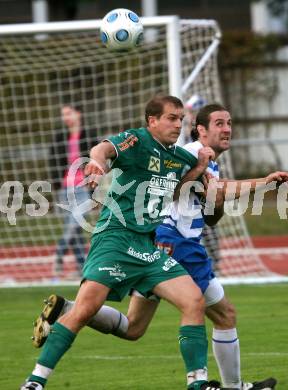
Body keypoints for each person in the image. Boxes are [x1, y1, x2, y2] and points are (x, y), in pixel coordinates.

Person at [30, 103, 288, 389]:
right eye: (219, 124)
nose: (227, 129)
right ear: (201, 130)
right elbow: (103, 149)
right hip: (173, 242)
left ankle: (67, 310)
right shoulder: (189, 153)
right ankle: (225, 385)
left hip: (154, 243)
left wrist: (214, 191)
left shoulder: (194, 159)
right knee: (222, 312)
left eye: (229, 123)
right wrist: (262, 183)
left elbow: (210, 212)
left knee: (133, 327)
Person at [21, 95, 221, 390]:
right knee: (84, 311)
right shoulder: (137, 141)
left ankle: (198, 383)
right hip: (115, 239)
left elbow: (178, 188)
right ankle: (35, 382)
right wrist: (98, 165)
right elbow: (103, 148)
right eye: (171, 118)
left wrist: (201, 164)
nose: (178, 124)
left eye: (181, 119)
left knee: (193, 301)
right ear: (152, 121)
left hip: (148, 247)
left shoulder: (177, 156)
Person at [49, 104, 97, 277]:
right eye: (63, 115)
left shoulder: (89, 136)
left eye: (69, 113)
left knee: (73, 225)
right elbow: (53, 161)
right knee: (75, 230)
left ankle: (58, 256)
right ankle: (81, 267)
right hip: (66, 188)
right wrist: (57, 184)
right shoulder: (60, 137)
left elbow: (97, 162)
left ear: (78, 114)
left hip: (83, 188)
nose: (66, 118)